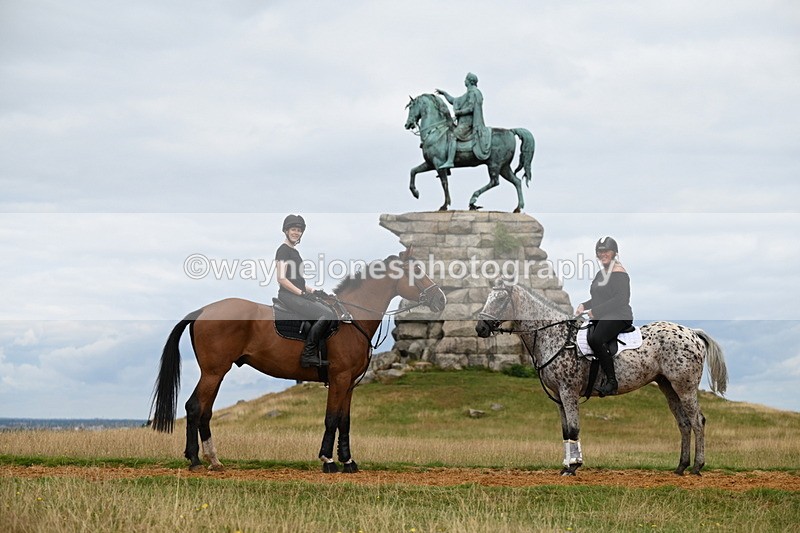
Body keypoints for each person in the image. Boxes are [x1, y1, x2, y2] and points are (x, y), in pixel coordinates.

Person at [275, 214, 336, 368]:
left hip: (297, 293)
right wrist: (301, 294)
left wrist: (315, 291)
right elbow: (281, 279)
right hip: (288, 295)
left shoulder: (294, 252)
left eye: (299, 230)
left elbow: (298, 281)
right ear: (286, 231)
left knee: (329, 308)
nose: (296, 232)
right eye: (293, 229)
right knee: (327, 314)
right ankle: (308, 355)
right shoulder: (283, 251)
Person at [574, 237, 633, 396]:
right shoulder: (601, 273)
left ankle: (612, 382)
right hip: (604, 315)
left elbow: (621, 299)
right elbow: (599, 298)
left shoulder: (619, 273)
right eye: (600, 251)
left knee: (596, 339)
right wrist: (584, 306)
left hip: (619, 315)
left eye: (606, 251)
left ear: (614, 253)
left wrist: (596, 311)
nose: (602, 254)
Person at [435, 72, 492, 169]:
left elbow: (471, 108)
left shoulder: (473, 93)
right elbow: (454, 101)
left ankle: (450, 161)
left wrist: (459, 112)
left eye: (465, 79)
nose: (464, 81)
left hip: (468, 124)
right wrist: (444, 94)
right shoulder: (469, 93)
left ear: (469, 81)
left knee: (452, 136)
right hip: (463, 123)